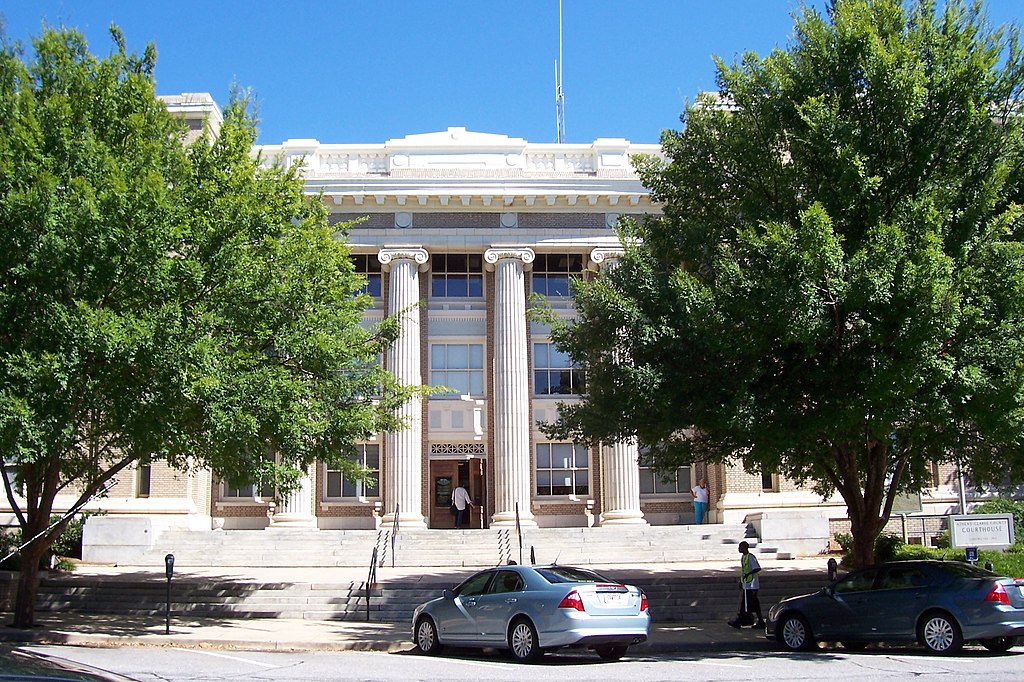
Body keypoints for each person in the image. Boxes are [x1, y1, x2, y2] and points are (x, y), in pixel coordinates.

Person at [728, 541, 765, 629]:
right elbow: (744, 571)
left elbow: (757, 568)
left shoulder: (750, 557)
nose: (739, 549)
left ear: (745, 548)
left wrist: (748, 575)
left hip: (752, 585)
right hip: (746, 584)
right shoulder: (743, 557)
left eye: (740, 547)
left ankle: (741, 620)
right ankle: (756, 620)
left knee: (748, 603)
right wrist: (741, 581)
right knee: (752, 604)